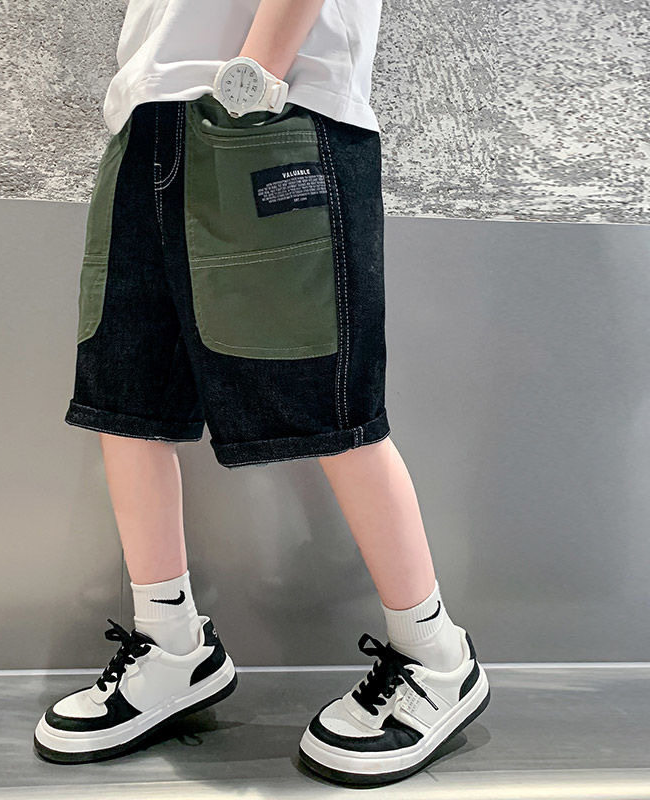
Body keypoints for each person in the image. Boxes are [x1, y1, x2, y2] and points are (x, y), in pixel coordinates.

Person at [33, 0, 491, 786]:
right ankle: (173, 647)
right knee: (126, 400)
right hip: (147, 121)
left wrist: (256, 76)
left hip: (278, 108)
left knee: (330, 405)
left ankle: (436, 657)